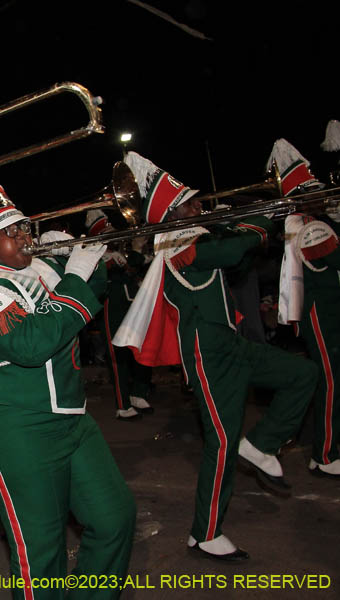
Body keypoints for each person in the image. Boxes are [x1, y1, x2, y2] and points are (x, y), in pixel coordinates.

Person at [0, 146, 135, 600]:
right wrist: (76, 276)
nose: (23, 237)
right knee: (41, 558)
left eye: (22, 226)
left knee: (115, 518)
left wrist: (87, 262)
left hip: (72, 421)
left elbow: (89, 294)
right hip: (17, 432)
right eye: (8, 232)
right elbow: (32, 344)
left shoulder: (34, 269)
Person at [113, 151, 318, 561]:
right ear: (174, 213)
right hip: (207, 354)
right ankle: (205, 533)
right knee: (221, 444)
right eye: (191, 203)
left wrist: (238, 221)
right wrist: (263, 219)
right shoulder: (177, 243)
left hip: (231, 344)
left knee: (303, 373)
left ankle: (261, 444)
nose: (200, 206)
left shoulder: (199, 233)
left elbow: (235, 252)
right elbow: (234, 252)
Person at [275, 138, 340, 478]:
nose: (324, 194)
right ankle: (325, 454)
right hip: (321, 315)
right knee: (330, 382)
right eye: (315, 191)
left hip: (332, 312)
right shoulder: (308, 227)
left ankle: (322, 444)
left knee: (329, 382)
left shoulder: (318, 221)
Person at [84, 211, 153, 420]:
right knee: (118, 356)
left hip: (132, 304)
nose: (116, 233)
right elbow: (129, 268)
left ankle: (138, 393)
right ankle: (122, 406)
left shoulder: (117, 252)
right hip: (111, 307)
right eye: (110, 230)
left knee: (142, 349)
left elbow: (136, 270)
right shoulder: (97, 254)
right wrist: (136, 249)